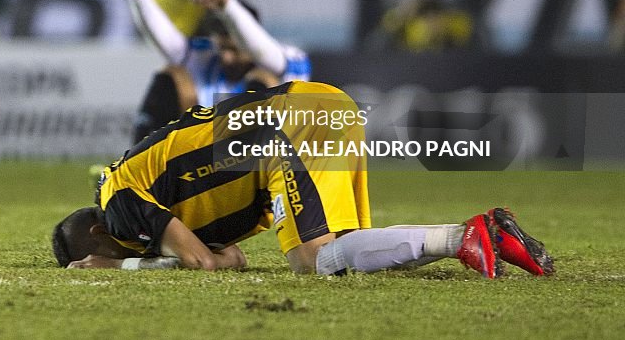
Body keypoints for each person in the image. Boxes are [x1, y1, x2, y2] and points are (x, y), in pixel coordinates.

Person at [53, 82, 554, 278]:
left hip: (285, 130)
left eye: (120, 249)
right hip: (316, 108)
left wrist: (120, 269)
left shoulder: (118, 198)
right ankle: (490, 238)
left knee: (311, 260)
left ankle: (465, 236)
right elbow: (231, 258)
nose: (133, 250)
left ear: (100, 233)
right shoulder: (155, 201)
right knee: (341, 252)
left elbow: (203, 261)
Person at [108, 0, 310, 143]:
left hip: (270, 167)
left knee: (266, 84)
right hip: (210, 170)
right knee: (171, 75)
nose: (227, 58)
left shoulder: (289, 60)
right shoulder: (208, 59)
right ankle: (134, 169)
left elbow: (262, 51)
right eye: (222, 49)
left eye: (234, 50)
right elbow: (170, 44)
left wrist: (228, 7)